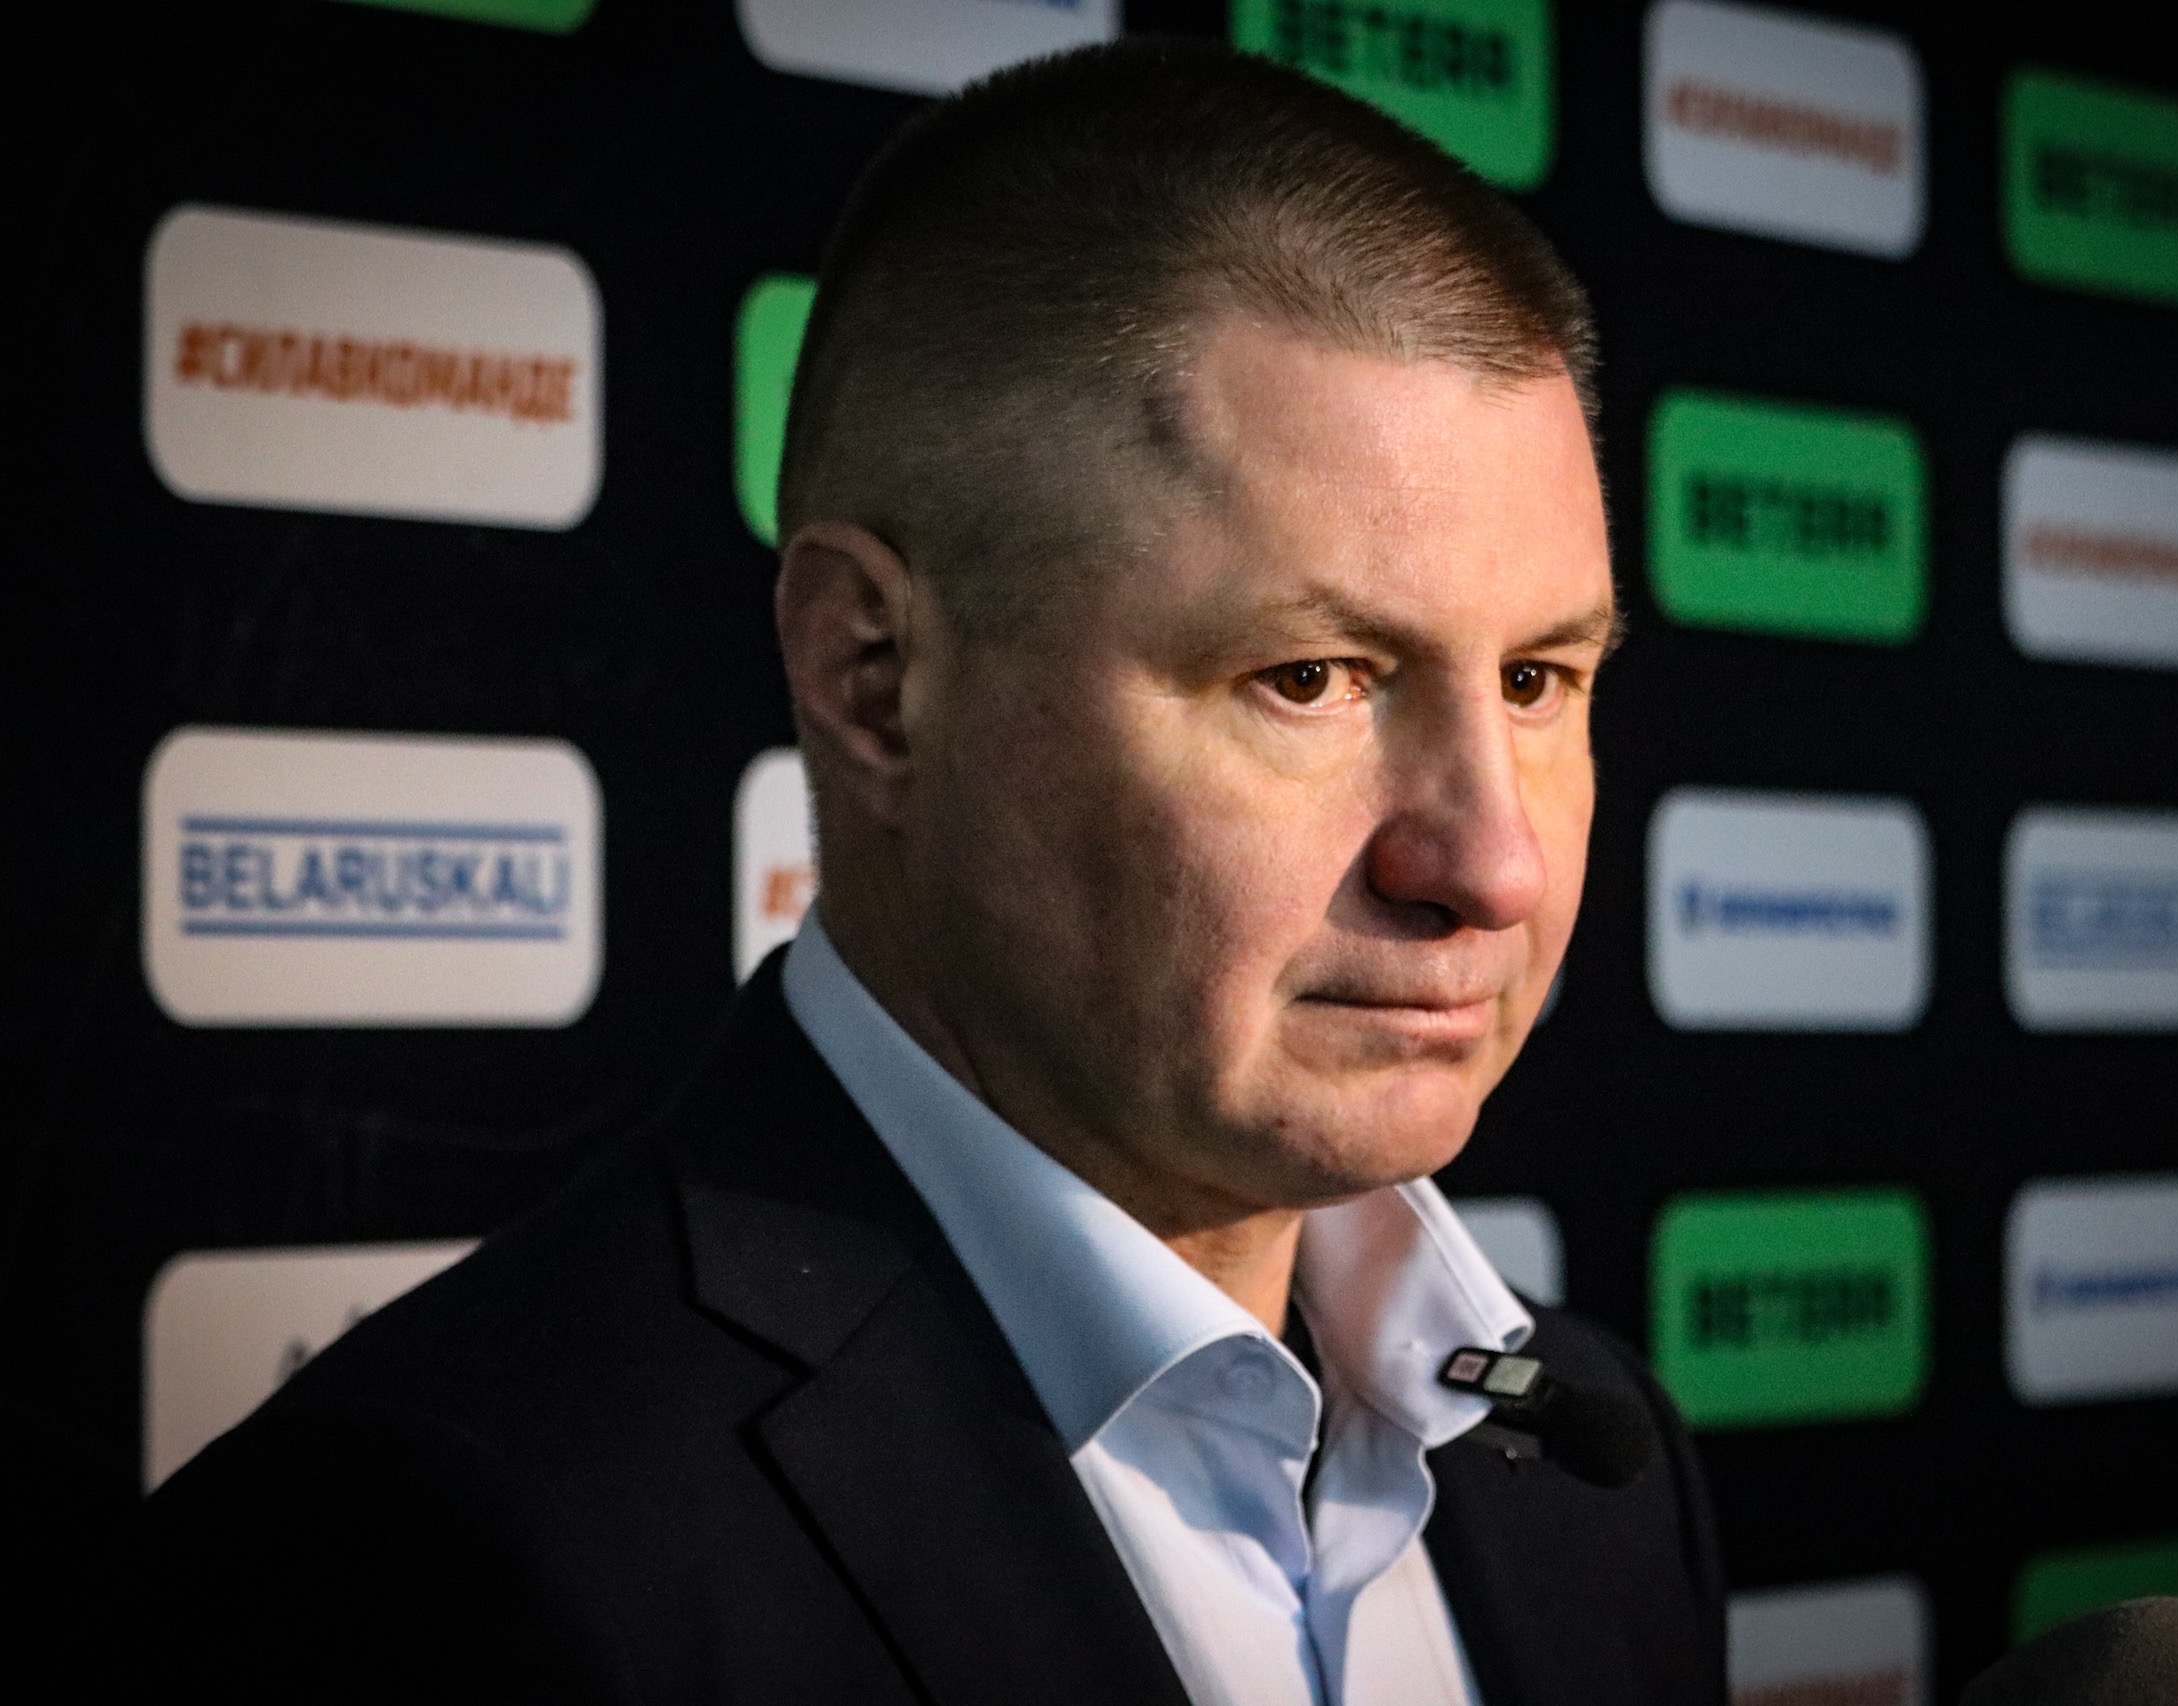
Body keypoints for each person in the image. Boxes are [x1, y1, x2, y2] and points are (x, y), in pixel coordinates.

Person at [130, 39, 1726, 1705]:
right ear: (875, 677)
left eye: (1538, 678)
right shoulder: (432, 1560)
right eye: (1310, 677)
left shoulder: (1597, 1468)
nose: (1492, 861)